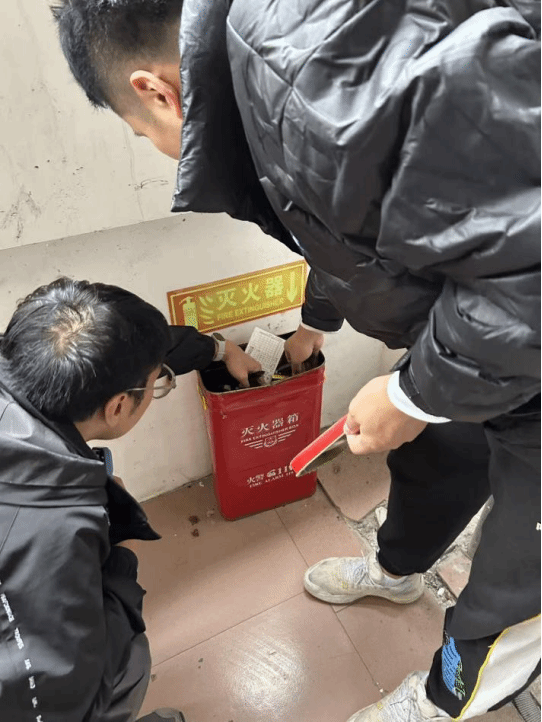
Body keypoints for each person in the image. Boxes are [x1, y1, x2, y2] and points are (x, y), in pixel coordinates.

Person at [50, 1, 541, 720]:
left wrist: (411, 395)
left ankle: (445, 702)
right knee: (438, 458)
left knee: (521, 571)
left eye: (140, 131)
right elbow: (353, 227)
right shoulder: (277, 73)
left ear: (156, 91)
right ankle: (398, 570)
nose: (158, 149)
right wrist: (316, 326)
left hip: (517, 333)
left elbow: (528, 273)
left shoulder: (326, 86)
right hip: (480, 339)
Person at [0, 277, 260, 722]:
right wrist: (123, 555)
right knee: (127, 662)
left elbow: (132, 342)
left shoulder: (19, 358)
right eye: (157, 384)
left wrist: (221, 350)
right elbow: (63, 691)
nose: (159, 382)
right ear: (118, 406)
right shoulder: (57, 531)